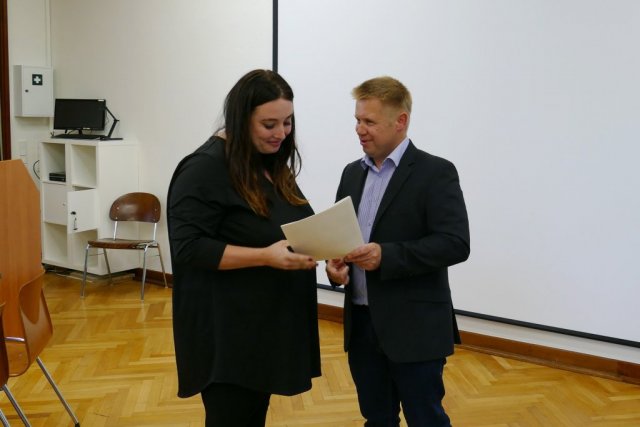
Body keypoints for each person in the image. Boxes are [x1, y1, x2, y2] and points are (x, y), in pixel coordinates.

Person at [167, 69, 321, 427]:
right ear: (240, 118)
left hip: (265, 326)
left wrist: (330, 252)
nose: (281, 133)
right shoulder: (204, 168)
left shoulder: (268, 161)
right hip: (228, 333)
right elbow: (189, 248)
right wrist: (265, 257)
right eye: (269, 124)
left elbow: (291, 225)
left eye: (287, 122)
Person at [326, 76, 470, 426]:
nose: (360, 129)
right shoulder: (350, 174)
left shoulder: (436, 172)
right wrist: (335, 268)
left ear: (400, 121)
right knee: (376, 419)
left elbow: (455, 243)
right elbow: (340, 241)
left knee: (426, 419)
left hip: (415, 328)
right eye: (357, 120)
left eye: (369, 121)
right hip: (361, 326)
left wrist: (386, 256)